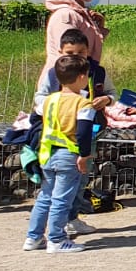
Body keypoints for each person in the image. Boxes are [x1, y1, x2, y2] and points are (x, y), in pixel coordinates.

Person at [24, 54, 99, 255]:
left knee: (45, 196)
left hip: (47, 152)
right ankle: (57, 239)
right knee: (62, 199)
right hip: (68, 154)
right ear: (82, 77)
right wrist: (84, 155)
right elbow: (83, 132)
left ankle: (33, 237)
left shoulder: (49, 100)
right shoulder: (83, 103)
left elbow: (35, 118)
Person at [44, 0, 107, 72]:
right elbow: (69, 50)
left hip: (80, 74)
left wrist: (99, 27)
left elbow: (87, 46)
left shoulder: (81, 15)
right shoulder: (65, 16)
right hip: (64, 77)